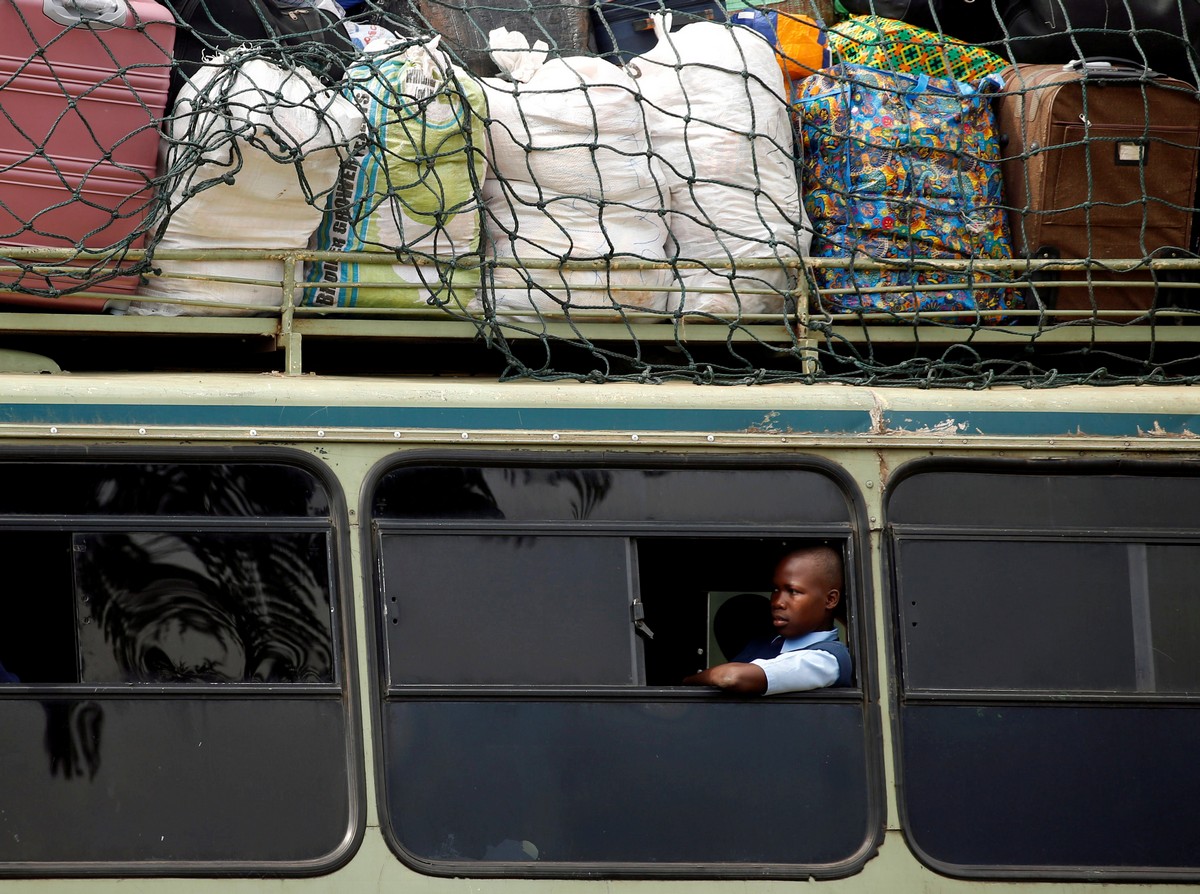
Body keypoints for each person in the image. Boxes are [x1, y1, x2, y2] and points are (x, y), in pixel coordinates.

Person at [683, 545, 851, 694]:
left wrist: (687, 682)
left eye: (793, 591)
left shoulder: (827, 660)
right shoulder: (763, 643)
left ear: (830, 600)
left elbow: (730, 678)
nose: (777, 602)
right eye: (776, 589)